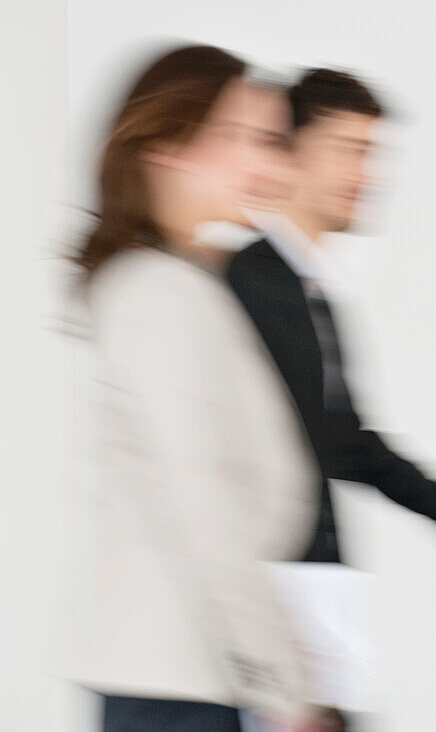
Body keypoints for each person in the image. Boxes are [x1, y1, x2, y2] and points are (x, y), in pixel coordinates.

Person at [64, 45, 342, 731]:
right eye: (242, 138)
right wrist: (283, 687)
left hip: (196, 673)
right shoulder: (159, 294)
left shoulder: (185, 286)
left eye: (274, 142)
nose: (269, 166)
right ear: (166, 146)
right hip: (176, 682)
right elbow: (206, 511)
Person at [226, 68, 436, 564]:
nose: (364, 175)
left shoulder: (308, 291)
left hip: (305, 590)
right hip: (268, 584)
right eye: (345, 150)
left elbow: (345, 444)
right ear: (289, 154)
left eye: (369, 153)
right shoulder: (244, 282)